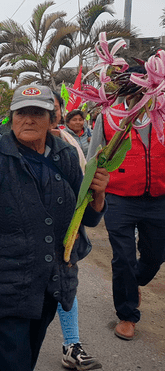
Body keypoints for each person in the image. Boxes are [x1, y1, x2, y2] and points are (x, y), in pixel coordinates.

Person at [0, 85, 109, 371]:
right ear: (11, 118)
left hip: (49, 279)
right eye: (21, 113)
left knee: (27, 356)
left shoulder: (65, 155)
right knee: (15, 360)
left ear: (52, 120)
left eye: (37, 113)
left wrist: (99, 195)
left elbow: (87, 220)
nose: (28, 120)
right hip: (5, 280)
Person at [87, 65, 165, 341]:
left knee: (156, 254)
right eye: (132, 85)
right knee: (123, 257)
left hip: (158, 198)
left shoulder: (162, 114)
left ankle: (135, 281)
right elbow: (94, 160)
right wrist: (92, 192)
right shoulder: (107, 117)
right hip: (120, 199)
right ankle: (127, 314)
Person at [50, 91, 101, 370]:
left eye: (53, 107)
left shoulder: (69, 145)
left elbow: (83, 190)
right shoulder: (7, 149)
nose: (47, 113)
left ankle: (72, 344)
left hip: (64, 233)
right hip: (26, 240)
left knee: (65, 285)